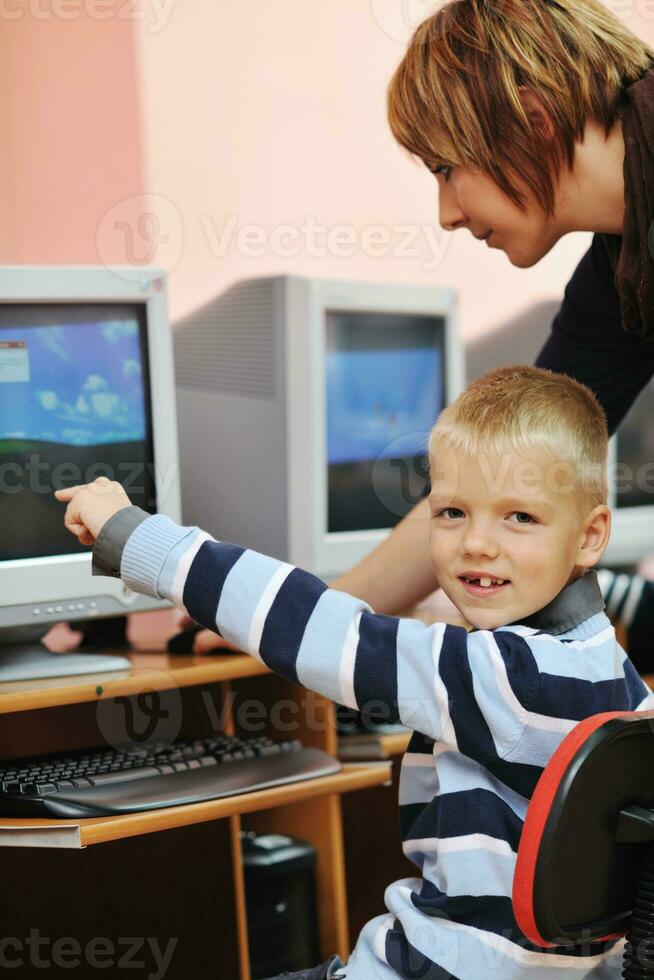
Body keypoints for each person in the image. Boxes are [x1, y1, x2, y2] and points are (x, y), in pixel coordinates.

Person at [54, 365, 654, 979]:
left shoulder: (509, 677)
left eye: (519, 518)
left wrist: (140, 541)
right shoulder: (607, 670)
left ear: (589, 537)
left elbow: (323, 630)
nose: (477, 544)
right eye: (451, 512)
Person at [180, 0, 654, 660]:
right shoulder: (621, 273)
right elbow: (493, 475)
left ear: (535, 122)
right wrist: (311, 621)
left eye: (445, 169)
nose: (446, 214)